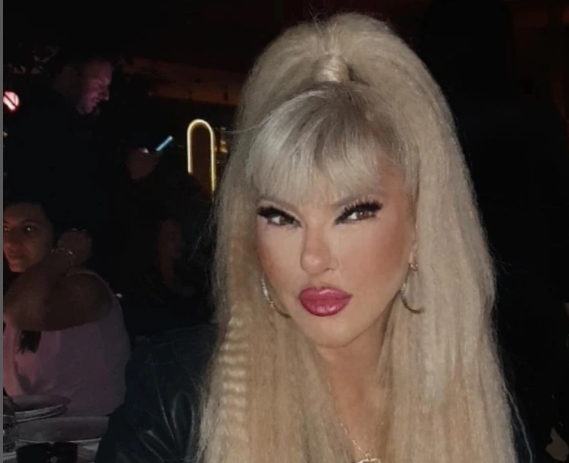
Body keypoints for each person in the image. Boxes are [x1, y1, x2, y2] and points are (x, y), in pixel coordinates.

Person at [95, 13, 522, 463]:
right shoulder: (177, 397)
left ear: (420, 227)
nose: (312, 258)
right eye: (281, 217)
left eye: (353, 213)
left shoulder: (477, 398)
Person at [415, 1, 569, 461]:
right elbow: (567, 238)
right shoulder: (528, 114)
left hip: (424, 323)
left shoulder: (409, 114)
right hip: (518, 327)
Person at [3, 43, 162, 288]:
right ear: (69, 75)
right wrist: (126, 173)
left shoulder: (51, 120)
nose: (105, 96)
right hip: (51, 267)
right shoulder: (50, 125)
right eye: (99, 84)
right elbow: (72, 193)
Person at [3, 198, 130, 416]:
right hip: (43, 432)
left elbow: (18, 312)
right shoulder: (22, 291)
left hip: (95, 433)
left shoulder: (85, 288)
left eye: (29, 230)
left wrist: (65, 253)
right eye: (5, 229)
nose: (10, 241)